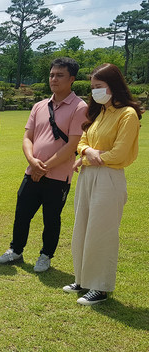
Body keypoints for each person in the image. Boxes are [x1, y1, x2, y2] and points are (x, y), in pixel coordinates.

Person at [0, 58, 87, 272]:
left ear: (72, 79)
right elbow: (27, 137)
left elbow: (73, 144)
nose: (53, 79)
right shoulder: (39, 106)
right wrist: (32, 162)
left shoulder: (79, 107)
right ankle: (15, 250)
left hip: (58, 176)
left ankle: (46, 255)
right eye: (52, 74)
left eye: (60, 75)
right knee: (22, 214)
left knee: (51, 218)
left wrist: (43, 166)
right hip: (32, 171)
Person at [63, 63, 142, 305]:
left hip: (109, 176)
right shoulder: (99, 112)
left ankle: (100, 286)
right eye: (93, 87)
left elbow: (119, 154)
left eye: (99, 87)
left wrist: (92, 157)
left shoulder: (127, 114)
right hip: (88, 175)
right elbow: (82, 140)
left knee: (102, 231)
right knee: (83, 227)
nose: (95, 91)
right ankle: (83, 278)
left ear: (113, 86)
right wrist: (87, 151)